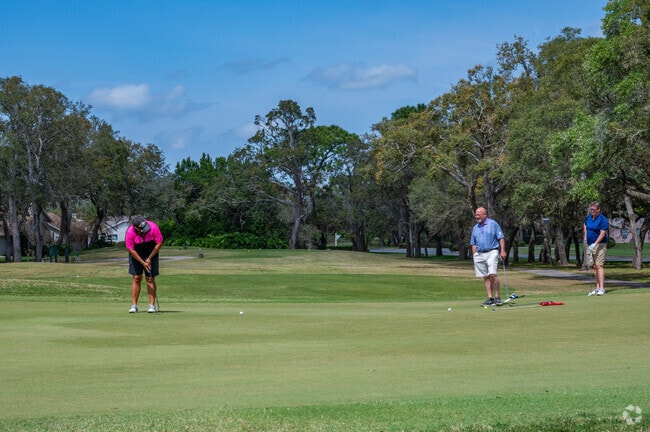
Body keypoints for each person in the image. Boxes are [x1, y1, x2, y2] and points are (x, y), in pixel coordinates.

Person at [125, 215, 164, 313]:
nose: (145, 230)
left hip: (152, 251)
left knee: (150, 278)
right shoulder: (130, 232)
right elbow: (131, 249)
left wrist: (149, 258)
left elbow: (159, 243)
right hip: (136, 252)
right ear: (136, 228)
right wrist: (142, 262)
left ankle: (152, 305)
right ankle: (134, 305)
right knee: (136, 277)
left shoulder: (153, 227)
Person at [470, 207, 507, 306]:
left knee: (492, 274)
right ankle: (490, 298)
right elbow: (473, 243)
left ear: (484, 215)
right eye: (476, 214)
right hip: (479, 254)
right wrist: (474, 254)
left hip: (492, 251)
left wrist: (502, 250)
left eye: (479, 214)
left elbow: (501, 238)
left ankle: (498, 297)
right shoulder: (475, 228)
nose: (477, 216)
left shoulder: (493, 224)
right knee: (485, 277)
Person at [584, 201, 608, 296]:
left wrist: (595, 244)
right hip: (589, 244)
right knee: (594, 266)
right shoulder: (588, 218)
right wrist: (586, 238)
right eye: (591, 209)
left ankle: (602, 288)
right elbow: (585, 226)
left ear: (598, 210)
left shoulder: (602, 219)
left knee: (599, 266)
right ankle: (597, 287)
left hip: (600, 245)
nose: (592, 210)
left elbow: (602, 233)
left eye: (594, 209)